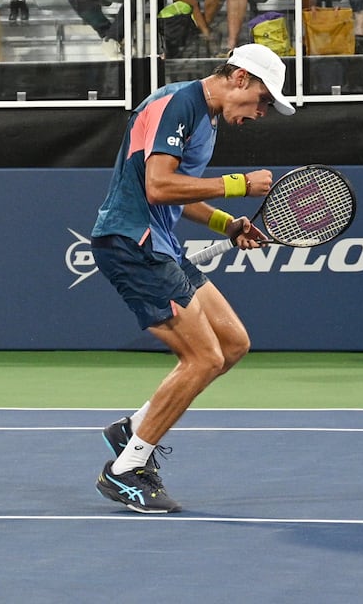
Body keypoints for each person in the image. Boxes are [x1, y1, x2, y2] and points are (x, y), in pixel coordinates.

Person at [91, 39, 290, 515]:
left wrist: (229, 222)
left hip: (160, 243)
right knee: (202, 358)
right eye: (263, 100)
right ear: (240, 77)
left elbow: (177, 193)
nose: (261, 113)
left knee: (232, 342)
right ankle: (127, 469)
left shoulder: (205, 118)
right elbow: (158, 186)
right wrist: (238, 185)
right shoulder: (178, 103)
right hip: (131, 242)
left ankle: (131, 429)